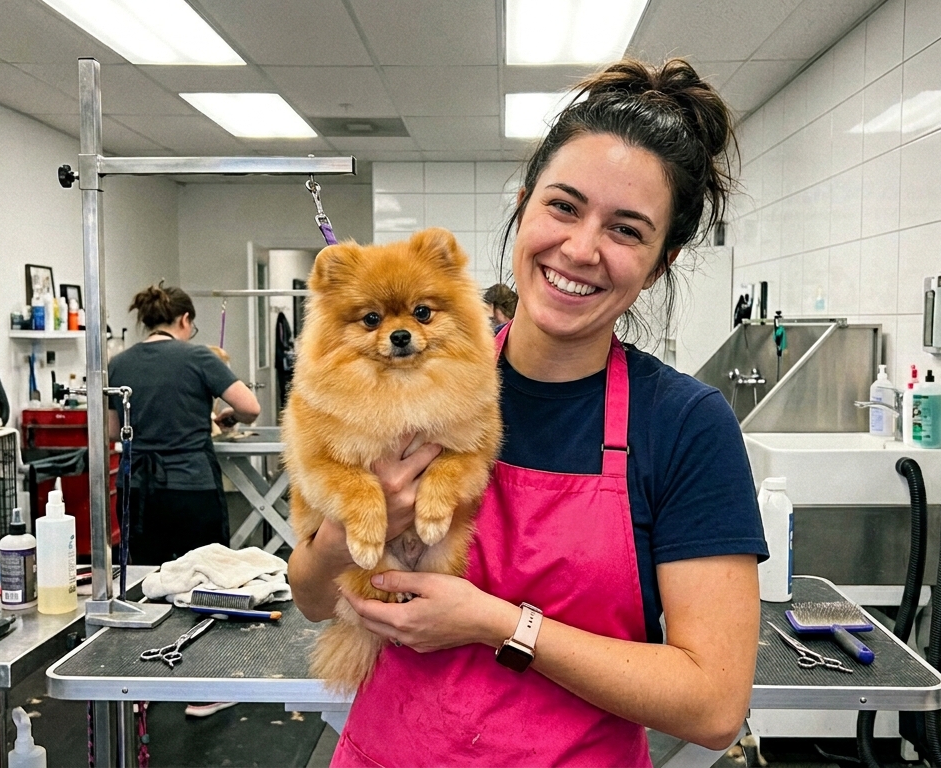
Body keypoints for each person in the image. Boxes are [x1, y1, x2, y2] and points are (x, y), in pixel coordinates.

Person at [289, 58, 767, 765]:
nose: (580, 248)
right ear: (524, 206)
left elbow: (714, 705)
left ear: (660, 262)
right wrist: (354, 527)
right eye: (564, 207)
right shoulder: (406, 386)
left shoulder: (684, 423)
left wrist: (495, 624)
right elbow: (310, 595)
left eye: (627, 230)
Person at [108, 283, 261, 566]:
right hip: (192, 489)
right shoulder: (198, 357)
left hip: (138, 491)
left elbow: (112, 429)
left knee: (149, 579)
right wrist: (231, 417)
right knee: (207, 576)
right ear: (185, 319)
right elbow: (250, 408)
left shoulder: (117, 364)